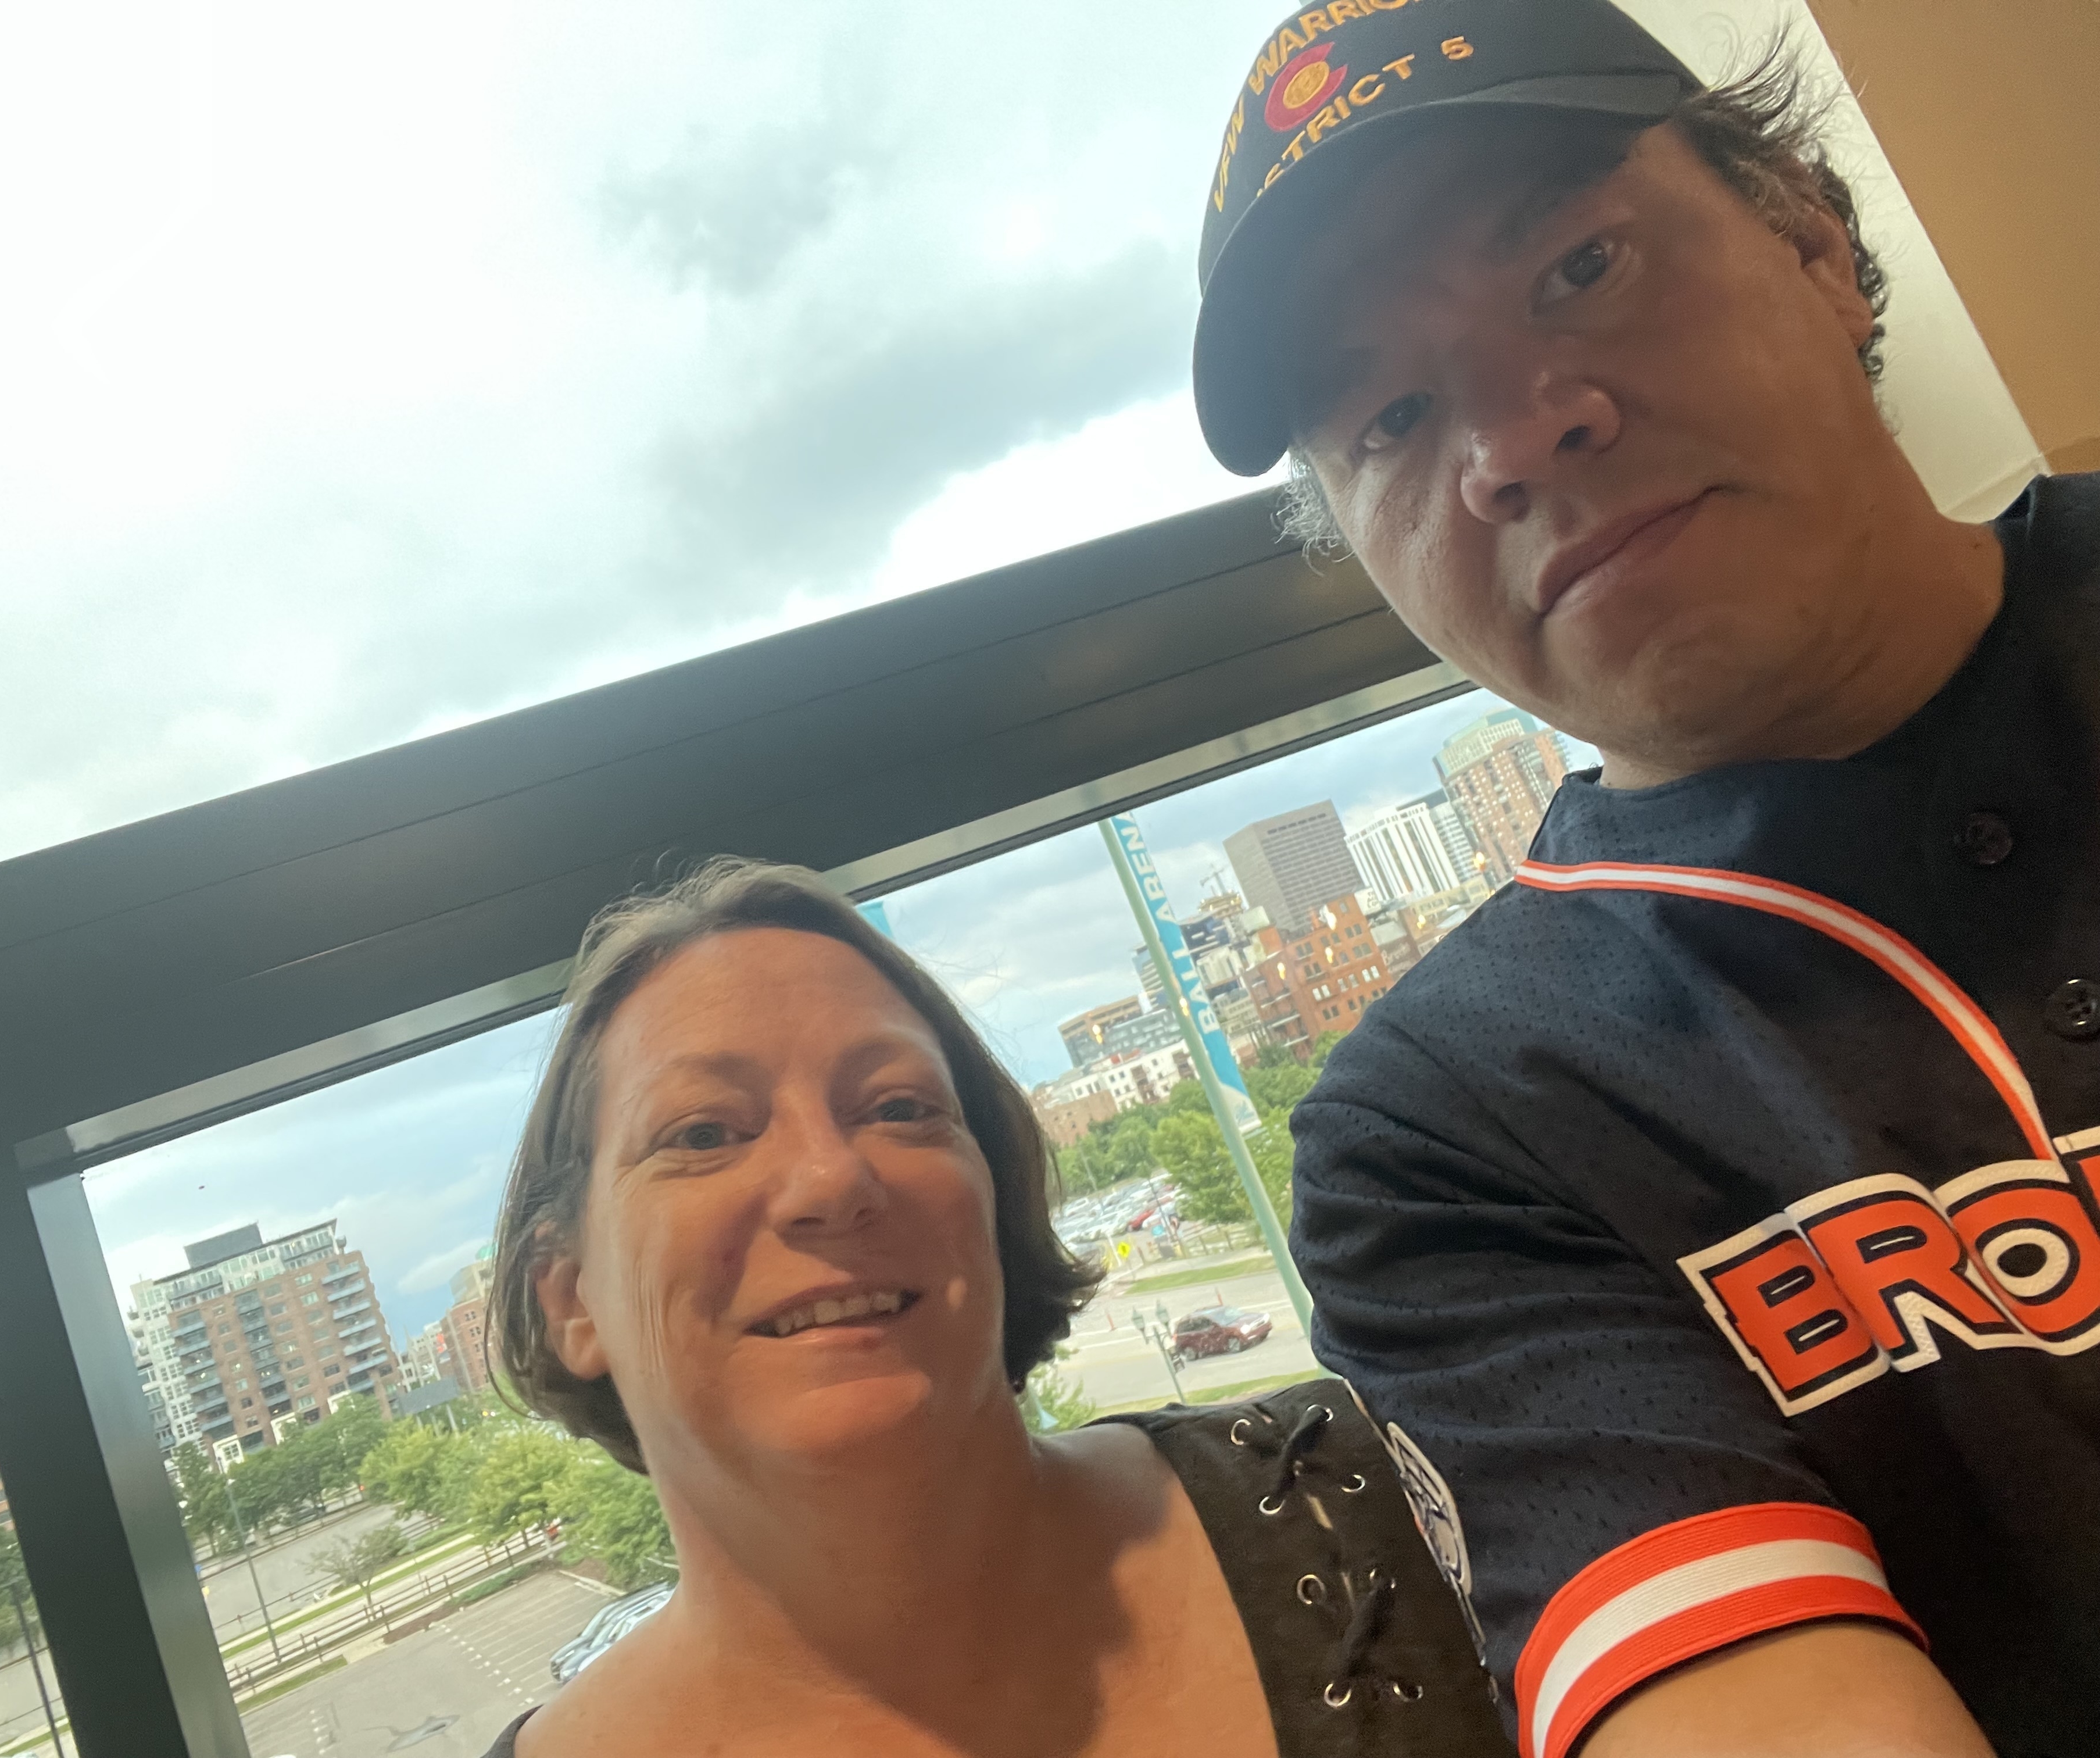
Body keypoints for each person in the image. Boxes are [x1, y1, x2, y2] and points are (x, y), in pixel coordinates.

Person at [1189, 2, 2098, 1756]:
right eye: (1391, 415)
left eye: (1579, 267)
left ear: (1811, 235)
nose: (1512, 444)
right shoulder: (1450, 1138)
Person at [479, 858, 1509, 1756]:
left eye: (899, 1107)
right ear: (570, 1300)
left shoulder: (1393, 1495)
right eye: (703, 1133)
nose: (831, 1179)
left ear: (995, 1199)